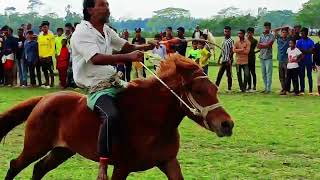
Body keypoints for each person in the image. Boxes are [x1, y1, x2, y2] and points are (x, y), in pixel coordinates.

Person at [71, 0, 154, 179]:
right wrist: (129, 57)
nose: (107, 8)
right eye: (102, 5)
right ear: (90, 10)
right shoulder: (81, 33)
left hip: (115, 83)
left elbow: (128, 47)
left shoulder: (107, 30)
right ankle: (103, 166)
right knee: (111, 116)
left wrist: (152, 45)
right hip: (97, 87)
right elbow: (96, 58)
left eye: (107, 5)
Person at [258, 22, 275, 93]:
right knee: (263, 73)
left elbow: (269, 45)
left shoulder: (272, 36)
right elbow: (258, 46)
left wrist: (263, 45)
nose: (266, 28)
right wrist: (264, 45)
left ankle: (269, 88)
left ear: (270, 27)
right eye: (265, 27)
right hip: (262, 56)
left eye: (268, 27)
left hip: (268, 56)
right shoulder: (261, 35)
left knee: (269, 73)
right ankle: (265, 87)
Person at [296, 27, 314, 95]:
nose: (301, 34)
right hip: (301, 61)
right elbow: (297, 50)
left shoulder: (311, 41)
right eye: (301, 33)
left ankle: (310, 90)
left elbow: (312, 51)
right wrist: (306, 51)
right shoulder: (299, 41)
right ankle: (302, 89)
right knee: (301, 75)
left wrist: (303, 51)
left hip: (309, 61)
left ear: (306, 33)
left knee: (309, 75)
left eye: (302, 33)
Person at [38, 21, 55, 88]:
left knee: (50, 70)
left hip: (48, 56)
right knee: (44, 70)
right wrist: (40, 55)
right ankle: (47, 82)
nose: (44, 28)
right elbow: (39, 46)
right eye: (43, 27)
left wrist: (49, 55)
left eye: (45, 27)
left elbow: (53, 47)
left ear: (48, 27)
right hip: (42, 56)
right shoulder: (40, 35)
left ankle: (52, 83)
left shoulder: (51, 35)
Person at [216, 26, 234, 92]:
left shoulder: (231, 40)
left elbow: (232, 50)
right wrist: (219, 58)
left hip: (228, 60)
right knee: (219, 74)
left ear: (230, 32)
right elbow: (222, 50)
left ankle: (229, 88)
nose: (226, 33)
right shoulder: (224, 40)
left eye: (227, 31)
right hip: (223, 59)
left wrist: (230, 59)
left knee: (228, 74)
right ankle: (216, 87)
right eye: (225, 31)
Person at [274, 28, 291, 93]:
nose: (284, 33)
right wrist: (281, 27)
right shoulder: (279, 39)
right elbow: (275, 30)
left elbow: (291, 30)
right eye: (282, 32)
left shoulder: (289, 39)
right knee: (281, 76)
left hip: (287, 60)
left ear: (287, 33)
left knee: (287, 75)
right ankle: (283, 88)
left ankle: (287, 89)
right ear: (281, 33)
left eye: (285, 32)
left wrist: (287, 27)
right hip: (280, 59)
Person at [246, 27, 258, 92]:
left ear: (253, 33)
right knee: (247, 73)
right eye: (248, 33)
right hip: (246, 58)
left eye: (250, 33)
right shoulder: (245, 40)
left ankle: (254, 86)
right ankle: (249, 86)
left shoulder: (254, 41)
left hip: (252, 58)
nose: (249, 34)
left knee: (253, 72)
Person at [314, 31, 320, 96]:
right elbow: (314, 55)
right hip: (318, 64)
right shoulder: (317, 45)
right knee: (319, 77)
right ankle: (319, 92)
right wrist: (313, 64)